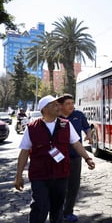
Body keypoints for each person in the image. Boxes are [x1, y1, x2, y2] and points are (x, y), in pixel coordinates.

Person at [14, 95, 95, 223]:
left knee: (57, 208)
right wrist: (18, 175)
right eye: (55, 105)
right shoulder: (32, 128)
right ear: (45, 109)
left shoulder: (66, 125)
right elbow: (24, 152)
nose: (59, 107)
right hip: (40, 175)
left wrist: (87, 158)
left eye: (58, 104)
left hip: (61, 174)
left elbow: (76, 143)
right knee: (39, 206)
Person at [57, 94, 91, 222]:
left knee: (73, 186)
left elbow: (87, 127)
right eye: (68, 103)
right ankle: (57, 212)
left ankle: (68, 212)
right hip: (59, 159)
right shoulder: (56, 118)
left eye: (72, 103)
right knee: (60, 187)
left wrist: (89, 135)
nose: (71, 106)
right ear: (61, 105)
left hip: (76, 157)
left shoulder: (79, 115)